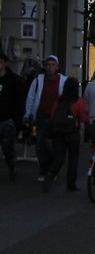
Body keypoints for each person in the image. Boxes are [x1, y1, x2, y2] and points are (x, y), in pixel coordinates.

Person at [23, 55, 67, 182]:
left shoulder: (63, 81)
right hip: (41, 116)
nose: (50, 67)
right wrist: (27, 114)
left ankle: (52, 170)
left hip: (56, 118)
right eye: (48, 65)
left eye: (53, 65)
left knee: (52, 145)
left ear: (57, 67)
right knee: (40, 146)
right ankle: (44, 170)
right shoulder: (38, 80)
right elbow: (31, 97)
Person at [43, 77, 88, 192]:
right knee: (73, 159)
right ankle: (71, 184)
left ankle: (50, 174)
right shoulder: (79, 101)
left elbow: (53, 116)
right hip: (72, 132)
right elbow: (83, 118)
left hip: (58, 132)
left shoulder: (59, 101)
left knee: (59, 158)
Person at [0, 49, 25, 180]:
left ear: (5, 63)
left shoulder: (14, 80)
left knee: (7, 146)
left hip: (7, 120)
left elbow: (19, 102)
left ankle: (11, 166)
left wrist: (16, 120)